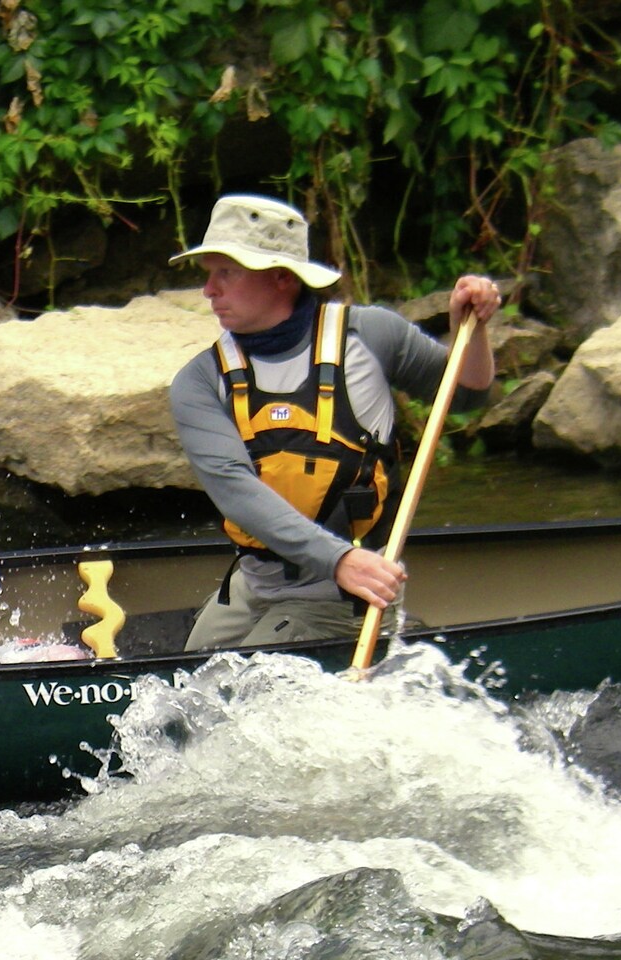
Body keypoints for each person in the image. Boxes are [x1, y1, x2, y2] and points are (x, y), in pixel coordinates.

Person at [168, 193, 502, 650]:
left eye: (226, 272)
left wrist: (474, 327)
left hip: (349, 590)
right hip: (258, 584)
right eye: (209, 274)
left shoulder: (371, 335)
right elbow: (235, 490)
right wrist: (336, 556)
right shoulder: (200, 381)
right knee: (186, 675)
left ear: (281, 277)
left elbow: (467, 394)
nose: (209, 290)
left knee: (232, 684)